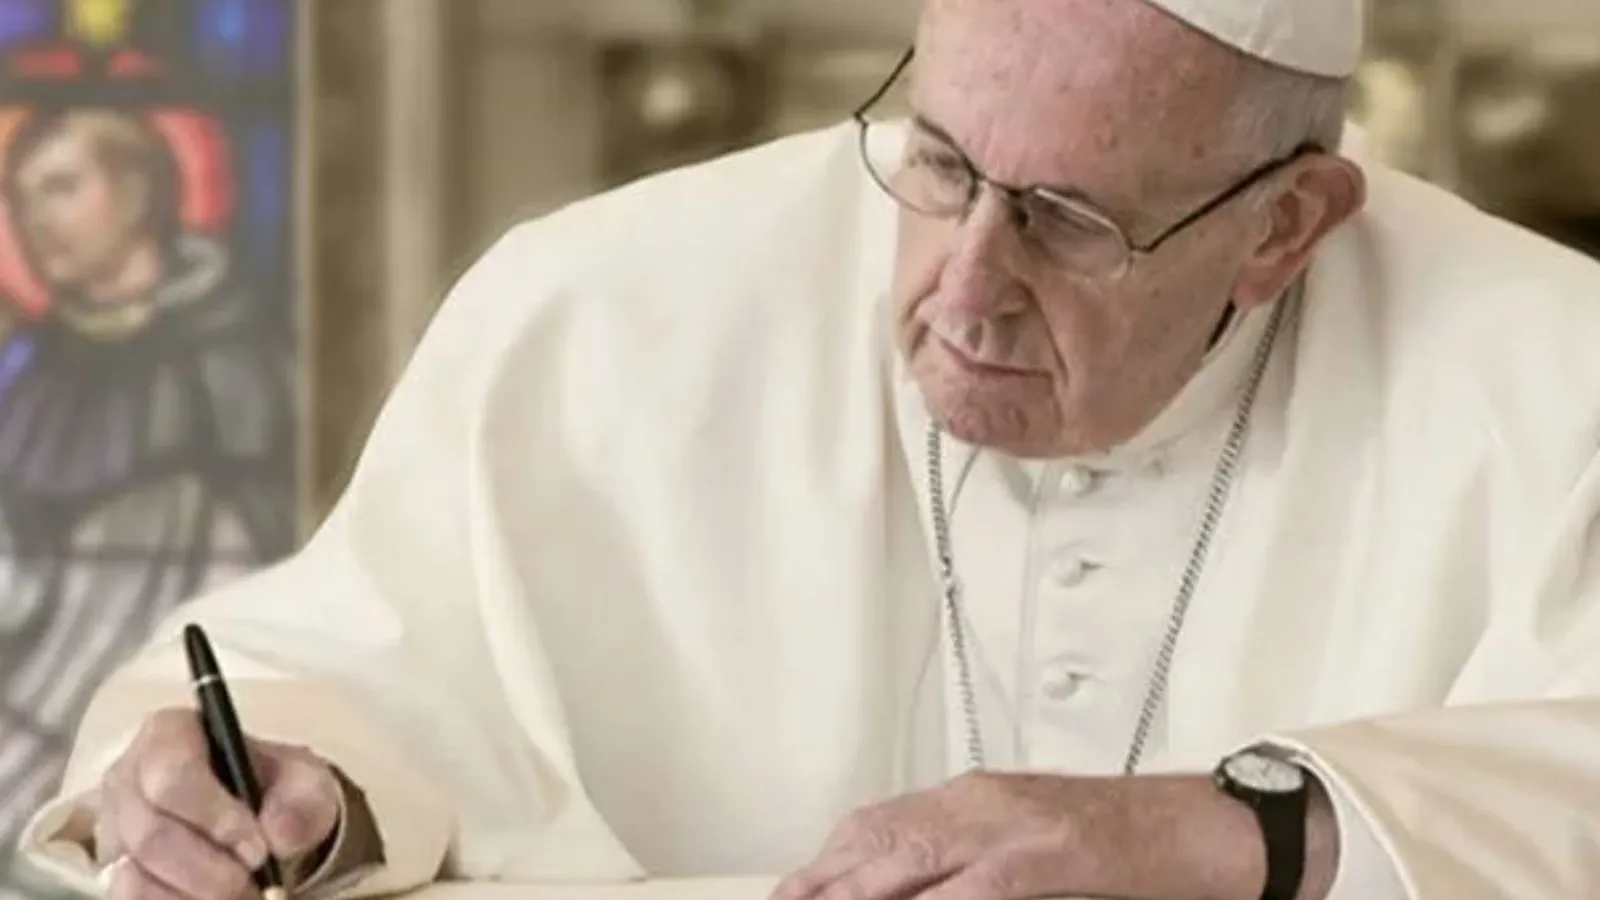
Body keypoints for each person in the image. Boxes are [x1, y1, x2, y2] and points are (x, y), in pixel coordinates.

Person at [16, 0, 1600, 896]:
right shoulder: (607, 308)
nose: (964, 288)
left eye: (1068, 220)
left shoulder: (1556, 379)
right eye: (940, 164)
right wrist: (282, 795)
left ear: (1285, 226)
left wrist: (1240, 831)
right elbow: (358, 672)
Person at [0, 107, 295, 876]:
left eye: (61, 187)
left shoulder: (233, 351)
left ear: (137, 194)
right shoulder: (27, 367)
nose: (36, 218)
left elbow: (269, 545)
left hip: (184, 718)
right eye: (20, 197)